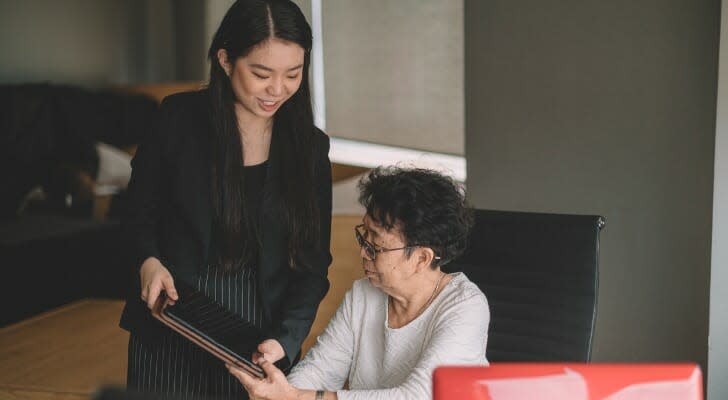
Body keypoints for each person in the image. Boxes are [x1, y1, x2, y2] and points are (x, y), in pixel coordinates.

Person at [118, 1, 332, 398]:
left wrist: (285, 339)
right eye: (261, 73)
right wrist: (148, 261)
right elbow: (137, 212)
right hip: (172, 314)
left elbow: (312, 265)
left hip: (257, 336)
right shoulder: (176, 119)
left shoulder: (310, 148)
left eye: (293, 74)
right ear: (225, 60)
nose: (277, 89)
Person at [229, 167, 489, 400]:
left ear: (422, 258)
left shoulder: (466, 307)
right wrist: (281, 393)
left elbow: (417, 396)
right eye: (364, 235)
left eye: (376, 245)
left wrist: (296, 398)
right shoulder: (364, 294)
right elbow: (321, 369)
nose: (364, 253)